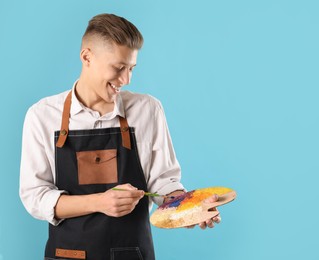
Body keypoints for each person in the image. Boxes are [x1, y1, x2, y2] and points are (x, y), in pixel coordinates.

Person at [19, 13, 220, 260]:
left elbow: (163, 183)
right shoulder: (42, 116)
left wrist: (187, 207)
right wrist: (100, 202)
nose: (125, 80)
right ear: (86, 57)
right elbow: (35, 197)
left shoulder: (148, 110)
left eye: (131, 68)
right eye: (118, 68)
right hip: (68, 255)